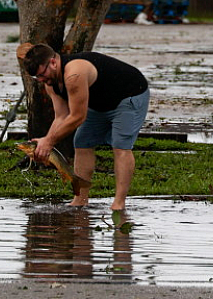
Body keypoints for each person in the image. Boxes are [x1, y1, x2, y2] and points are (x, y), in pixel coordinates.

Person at [20, 43, 150, 211]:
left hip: (129, 96)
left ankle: (119, 203)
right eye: (37, 77)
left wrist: (49, 142)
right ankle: (80, 199)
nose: (42, 80)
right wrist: (45, 143)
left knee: (120, 145)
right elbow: (61, 116)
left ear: (53, 62)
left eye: (42, 74)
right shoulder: (50, 82)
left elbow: (77, 117)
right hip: (99, 103)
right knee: (82, 141)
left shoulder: (74, 74)